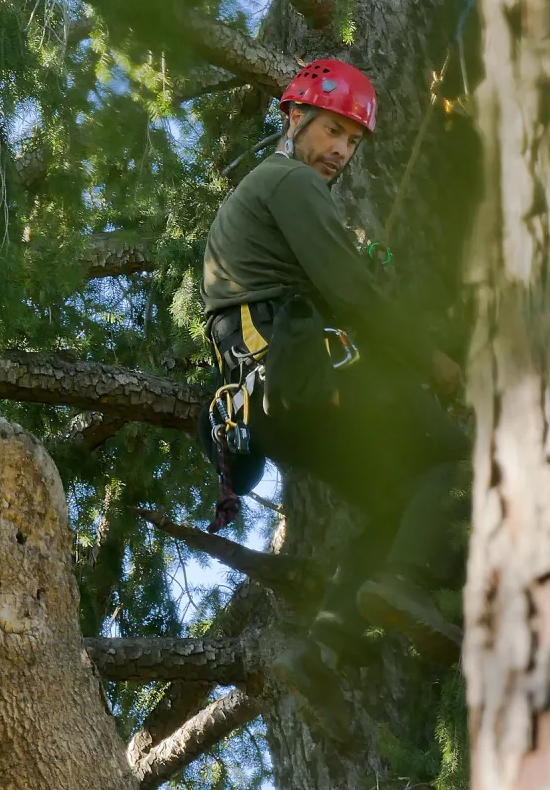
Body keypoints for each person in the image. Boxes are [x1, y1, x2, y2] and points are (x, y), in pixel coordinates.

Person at [200, 58, 470, 686]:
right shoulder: (287, 183)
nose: (341, 151)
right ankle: (404, 585)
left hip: (275, 409)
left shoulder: (263, 194)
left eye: (351, 141)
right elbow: (354, 294)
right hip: (304, 381)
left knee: (397, 503)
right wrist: (431, 361)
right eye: (331, 132)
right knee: (453, 458)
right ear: (294, 118)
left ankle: (320, 653)